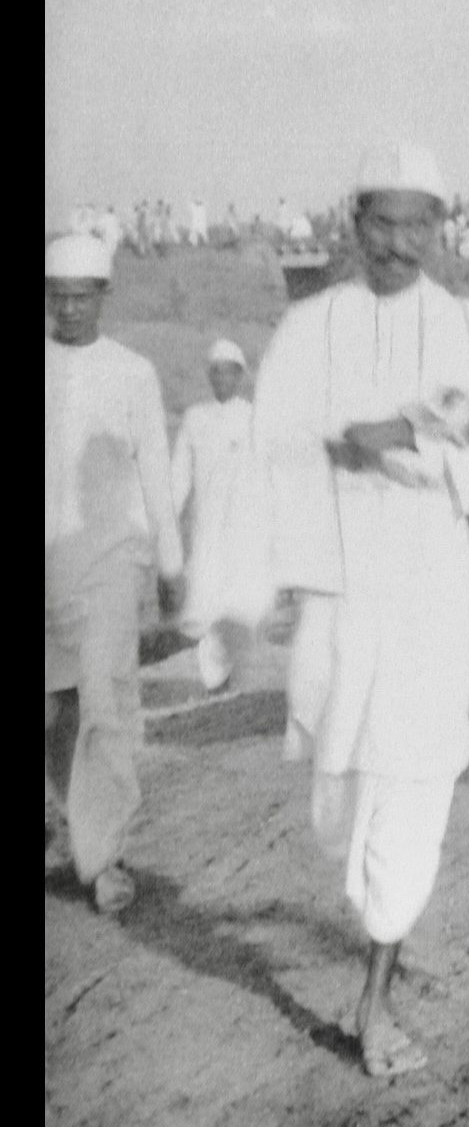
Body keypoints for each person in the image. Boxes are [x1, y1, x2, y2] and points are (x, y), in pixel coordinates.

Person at [251, 142, 469, 1077]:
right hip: (336, 591)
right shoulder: (310, 327)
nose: (399, 243)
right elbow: (269, 445)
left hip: (427, 587)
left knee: (410, 781)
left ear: (439, 229)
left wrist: (413, 435)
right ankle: (380, 912)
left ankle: (375, 994)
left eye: (418, 224)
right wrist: (338, 446)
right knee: (340, 797)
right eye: (383, 223)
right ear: (353, 225)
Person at [46, 233, 185, 916]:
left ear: (102, 296)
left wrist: (171, 563)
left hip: (105, 566)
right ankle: (76, 827)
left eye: (81, 297)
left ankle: (103, 858)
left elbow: (157, 474)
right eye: (57, 297)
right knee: (58, 711)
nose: (68, 310)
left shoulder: (131, 372)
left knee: (103, 705)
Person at [171, 338, 273, 692]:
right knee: (205, 608)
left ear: (241, 375)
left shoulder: (256, 418)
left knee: (242, 609)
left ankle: (231, 689)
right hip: (208, 531)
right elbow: (179, 478)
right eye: (215, 372)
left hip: (247, 533)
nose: (221, 379)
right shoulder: (195, 419)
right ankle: (215, 687)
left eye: (229, 372)